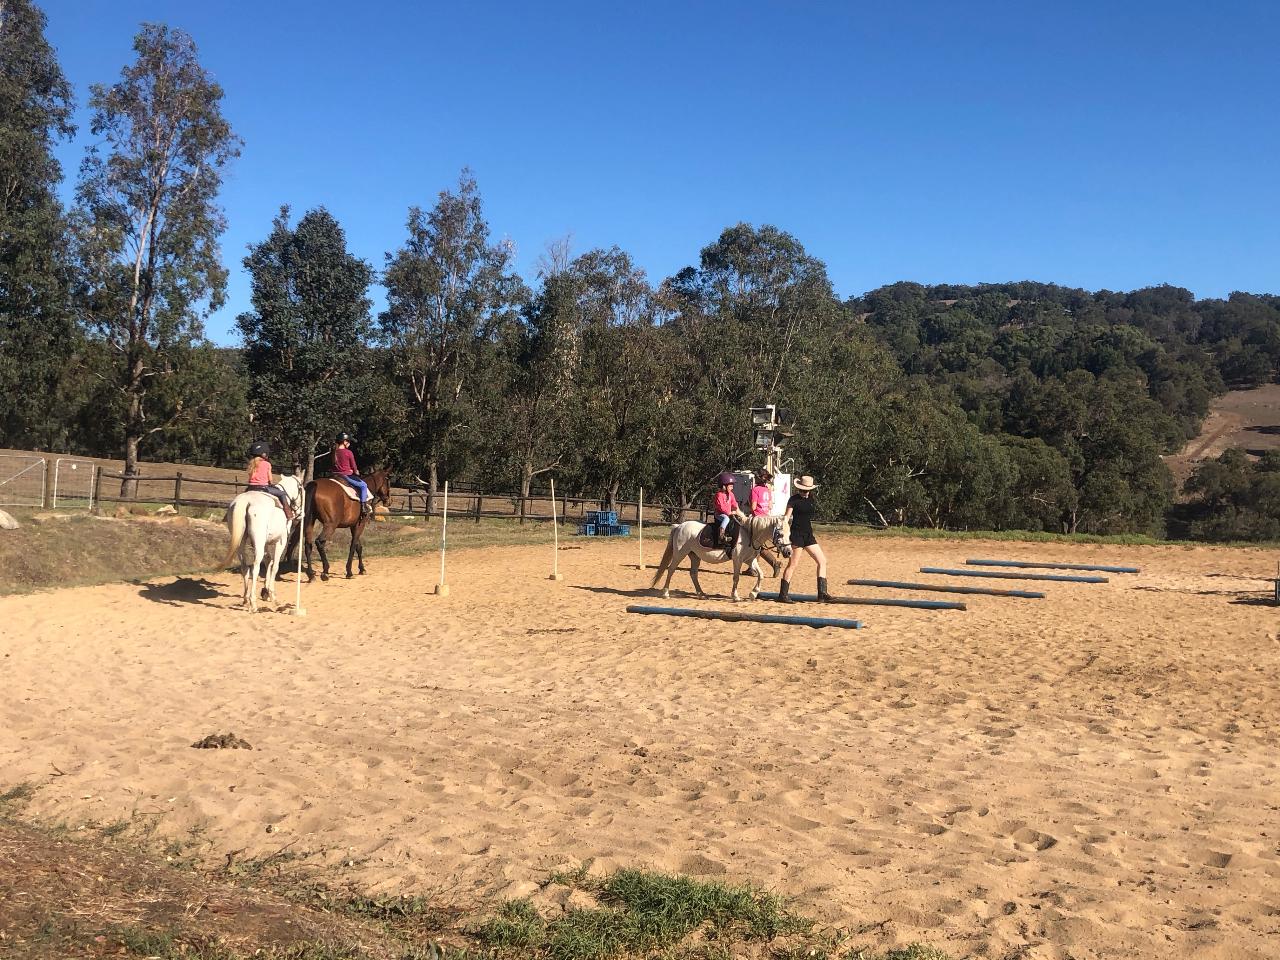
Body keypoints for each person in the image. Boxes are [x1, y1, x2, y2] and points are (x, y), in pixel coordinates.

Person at [776, 475, 831, 603]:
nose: (805, 493)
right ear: (799, 489)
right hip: (796, 535)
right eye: (802, 490)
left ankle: (822, 593)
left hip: (808, 535)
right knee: (793, 564)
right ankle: (783, 595)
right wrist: (783, 529)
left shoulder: (811, 498)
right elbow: (786, 517)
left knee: (822, 561)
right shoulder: (793, 500)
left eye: (807, 490)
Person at [245, 441, 293, 520]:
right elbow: (270, 479)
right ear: (263, 454)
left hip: (250, 488)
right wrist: (271, 483)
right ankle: (288, 514)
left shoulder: (251, 464)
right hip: (263, 488)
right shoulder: (267, 464)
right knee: (282, 493)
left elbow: (250, 477)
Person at [751, 468, 782, 576]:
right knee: (758, 544)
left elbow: (753, 507)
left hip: (758, 520)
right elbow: (770, 505)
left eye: (755, 477)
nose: (754, 478)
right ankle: (753, 568)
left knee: (753, 543)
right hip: (767, 518)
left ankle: (773, 563)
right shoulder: (767, 490)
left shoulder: (755, 489)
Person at [332, 432, 372, 516]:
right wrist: (356, 471)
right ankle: (363, 507)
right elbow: (354, 466)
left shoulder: (334, 452)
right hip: (346, 475)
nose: (349, 443)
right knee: (363, 485)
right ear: (344, 442)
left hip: (335, 475)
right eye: (348, 441)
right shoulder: (348, 452)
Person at [712, 471, 743, 550]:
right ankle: (721, 535)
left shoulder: (731, 494)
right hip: (719, 514)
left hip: (728, 514)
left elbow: (734, 504)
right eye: (730, 486)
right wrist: (729, 512)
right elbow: (721, 507)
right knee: (726, 518)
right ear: (724, 486)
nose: (732, 487)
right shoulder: (719, 495)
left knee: (736, 520)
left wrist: (737, 511)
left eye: (732, 486)